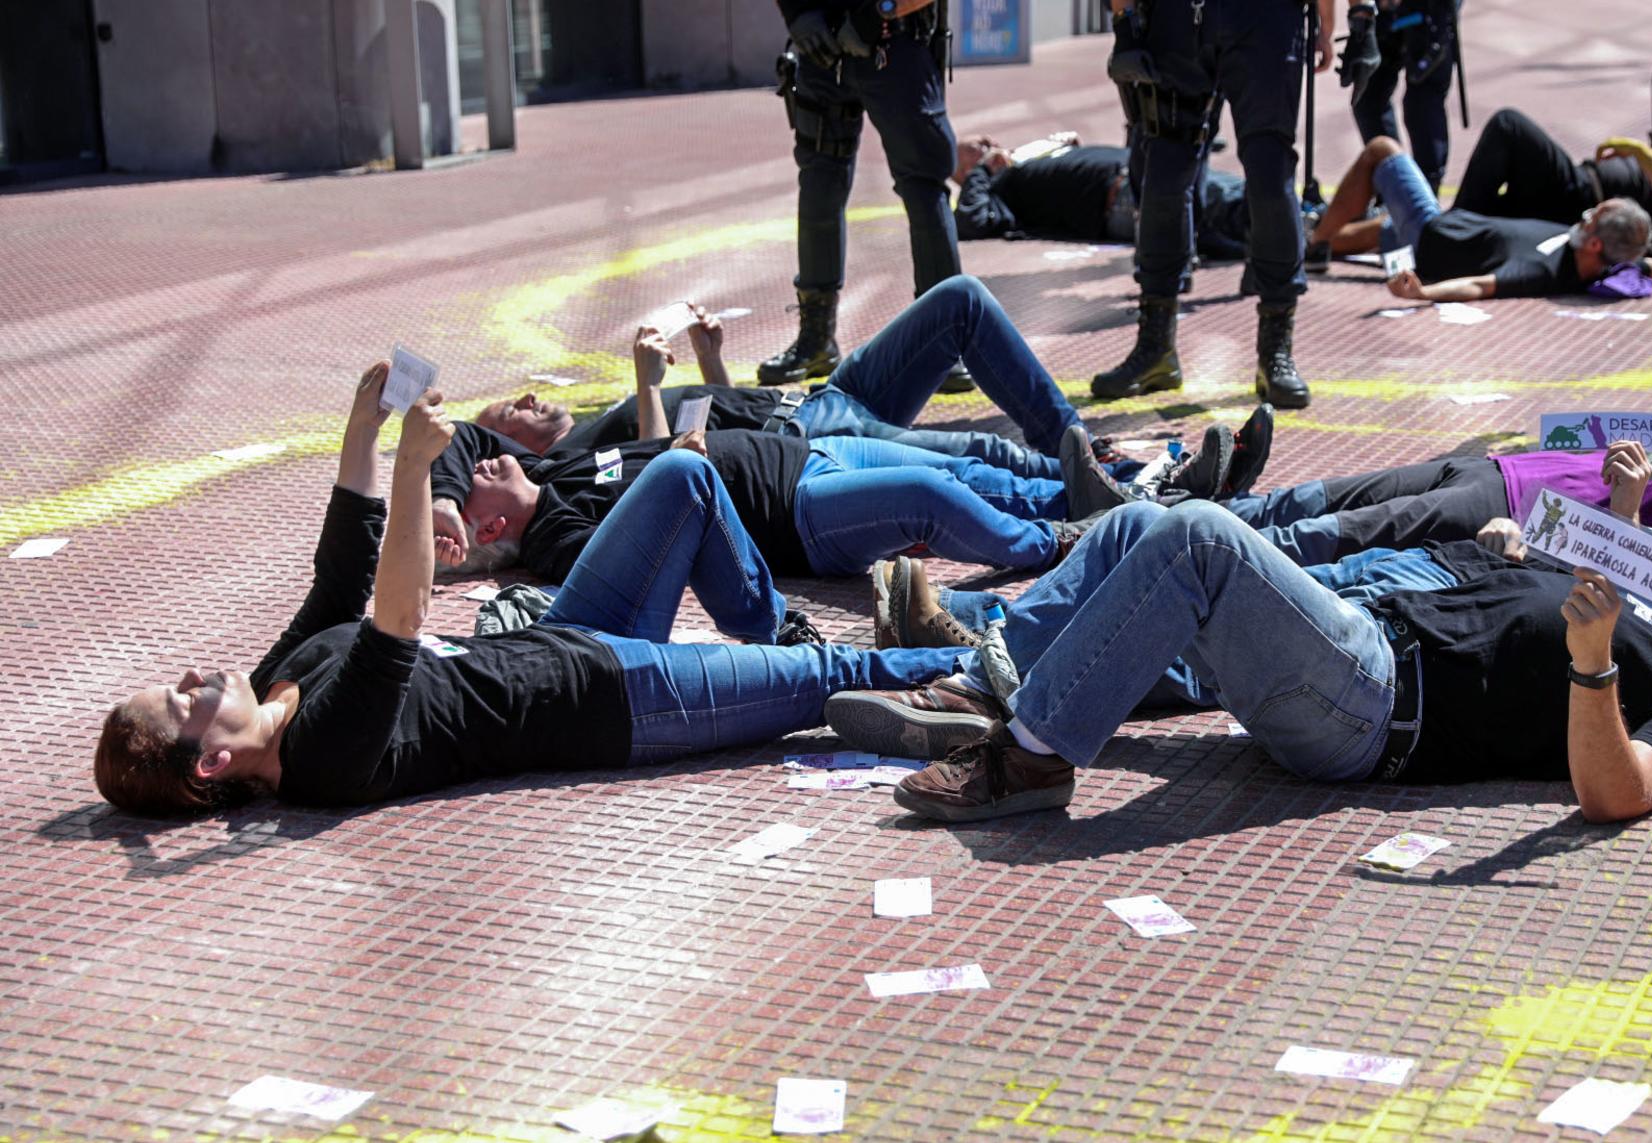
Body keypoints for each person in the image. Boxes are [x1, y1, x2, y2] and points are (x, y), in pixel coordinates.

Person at [92, 367, 963, 815]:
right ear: (212, 760)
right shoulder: (321, 757)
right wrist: (409, 470)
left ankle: (784, 627)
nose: (196, 674)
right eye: (183, 698)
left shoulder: (282, 681)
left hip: (577, 629)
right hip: (612, 701)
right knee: (834, 680)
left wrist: (362, 431)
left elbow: (340, 581)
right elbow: (396, 615)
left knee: (683, 479)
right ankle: (993, 666)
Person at [824, 497, 1652, 824]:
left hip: (1371, 706)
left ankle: (1031, 759)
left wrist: (1591, 665)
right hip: (1374, 634)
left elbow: (1615, 792)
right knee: (1140, 519)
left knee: (1193, 536)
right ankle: (989, 682)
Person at [1200, 241, 1652, 563]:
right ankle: (1188, 516)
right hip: (1504, 470)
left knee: (1345, 534)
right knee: (1331, 497)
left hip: (1517, 514)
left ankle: (1191, 547)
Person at [477, 277, 1137, 485]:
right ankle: (1102, 480)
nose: (531, 397)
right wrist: (648, 383)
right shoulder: (575, 462)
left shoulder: (597, 422)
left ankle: (1073, 445)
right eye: (512, 408)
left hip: (826, 397)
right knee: (980, 453)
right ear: (510, 450)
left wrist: (710, 362)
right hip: (811, 436)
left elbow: (700, 431)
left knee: (960, 301)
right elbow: (660, 475)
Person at [437, 424, 1095, 583]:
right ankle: (1060, 540)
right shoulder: (558, 536)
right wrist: (680, 469)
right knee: (930, 496)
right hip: (798, 512)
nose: (485, 460)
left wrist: (440, 497)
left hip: (811, 452)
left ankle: (1103, 498)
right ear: (492, 522)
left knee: (968, 470)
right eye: (476, 479)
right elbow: (631, 563)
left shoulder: (550, 467)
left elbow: (458, 433)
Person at [1090, 0, 1334, 409]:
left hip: (1264, 21)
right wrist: (1124, 20)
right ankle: (1155, 348)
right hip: (1179, 20)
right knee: (1164, 176)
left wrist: (1344, 17)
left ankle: (1275, 351)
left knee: (1270, 175)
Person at [766, 0, 969, 391]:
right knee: (819, 187)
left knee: (923, 188)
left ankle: (943, 342)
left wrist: (874, 14)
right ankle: (817, 339)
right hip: (821, 49)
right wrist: (799, 15)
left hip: (895, 46)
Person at [1305, 136, 1652, 302]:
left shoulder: (1546, 269)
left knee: (1381, 151)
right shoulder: (1607, 260)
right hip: (1439, 234)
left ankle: (1316, 244)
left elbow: (1481, 286)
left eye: (1593, 217)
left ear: (1595, 243)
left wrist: (1423, 295)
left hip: (1434, 234)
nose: (1586, 214)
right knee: (1384, 230)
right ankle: (1299, 241)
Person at [1452, 108, 1652, 262]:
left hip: (1581, 199)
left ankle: (1450, 229)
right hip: (1575, 197)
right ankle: (1449, 232)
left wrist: (1641, 153)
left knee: (1508, 125)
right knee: (1481, 219)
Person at [949, 132, 1266, 261]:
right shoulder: (998, 187)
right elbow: (969, 221)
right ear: (963, 172)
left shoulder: (1021, 163)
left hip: (1139, 172)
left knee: (1239, 192)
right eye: (975, 148)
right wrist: (983, 171)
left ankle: (1298, 231)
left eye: (987, 142)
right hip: (1122, 196)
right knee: (1231, 206)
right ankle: (1303, 234)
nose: (989, 145)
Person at [1344, 0, 1461, 192]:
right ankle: (1395, 187)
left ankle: (1427, 196)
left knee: (1421, 105)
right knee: (1368, 99)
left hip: (1431, 12)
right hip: (1384, 12)